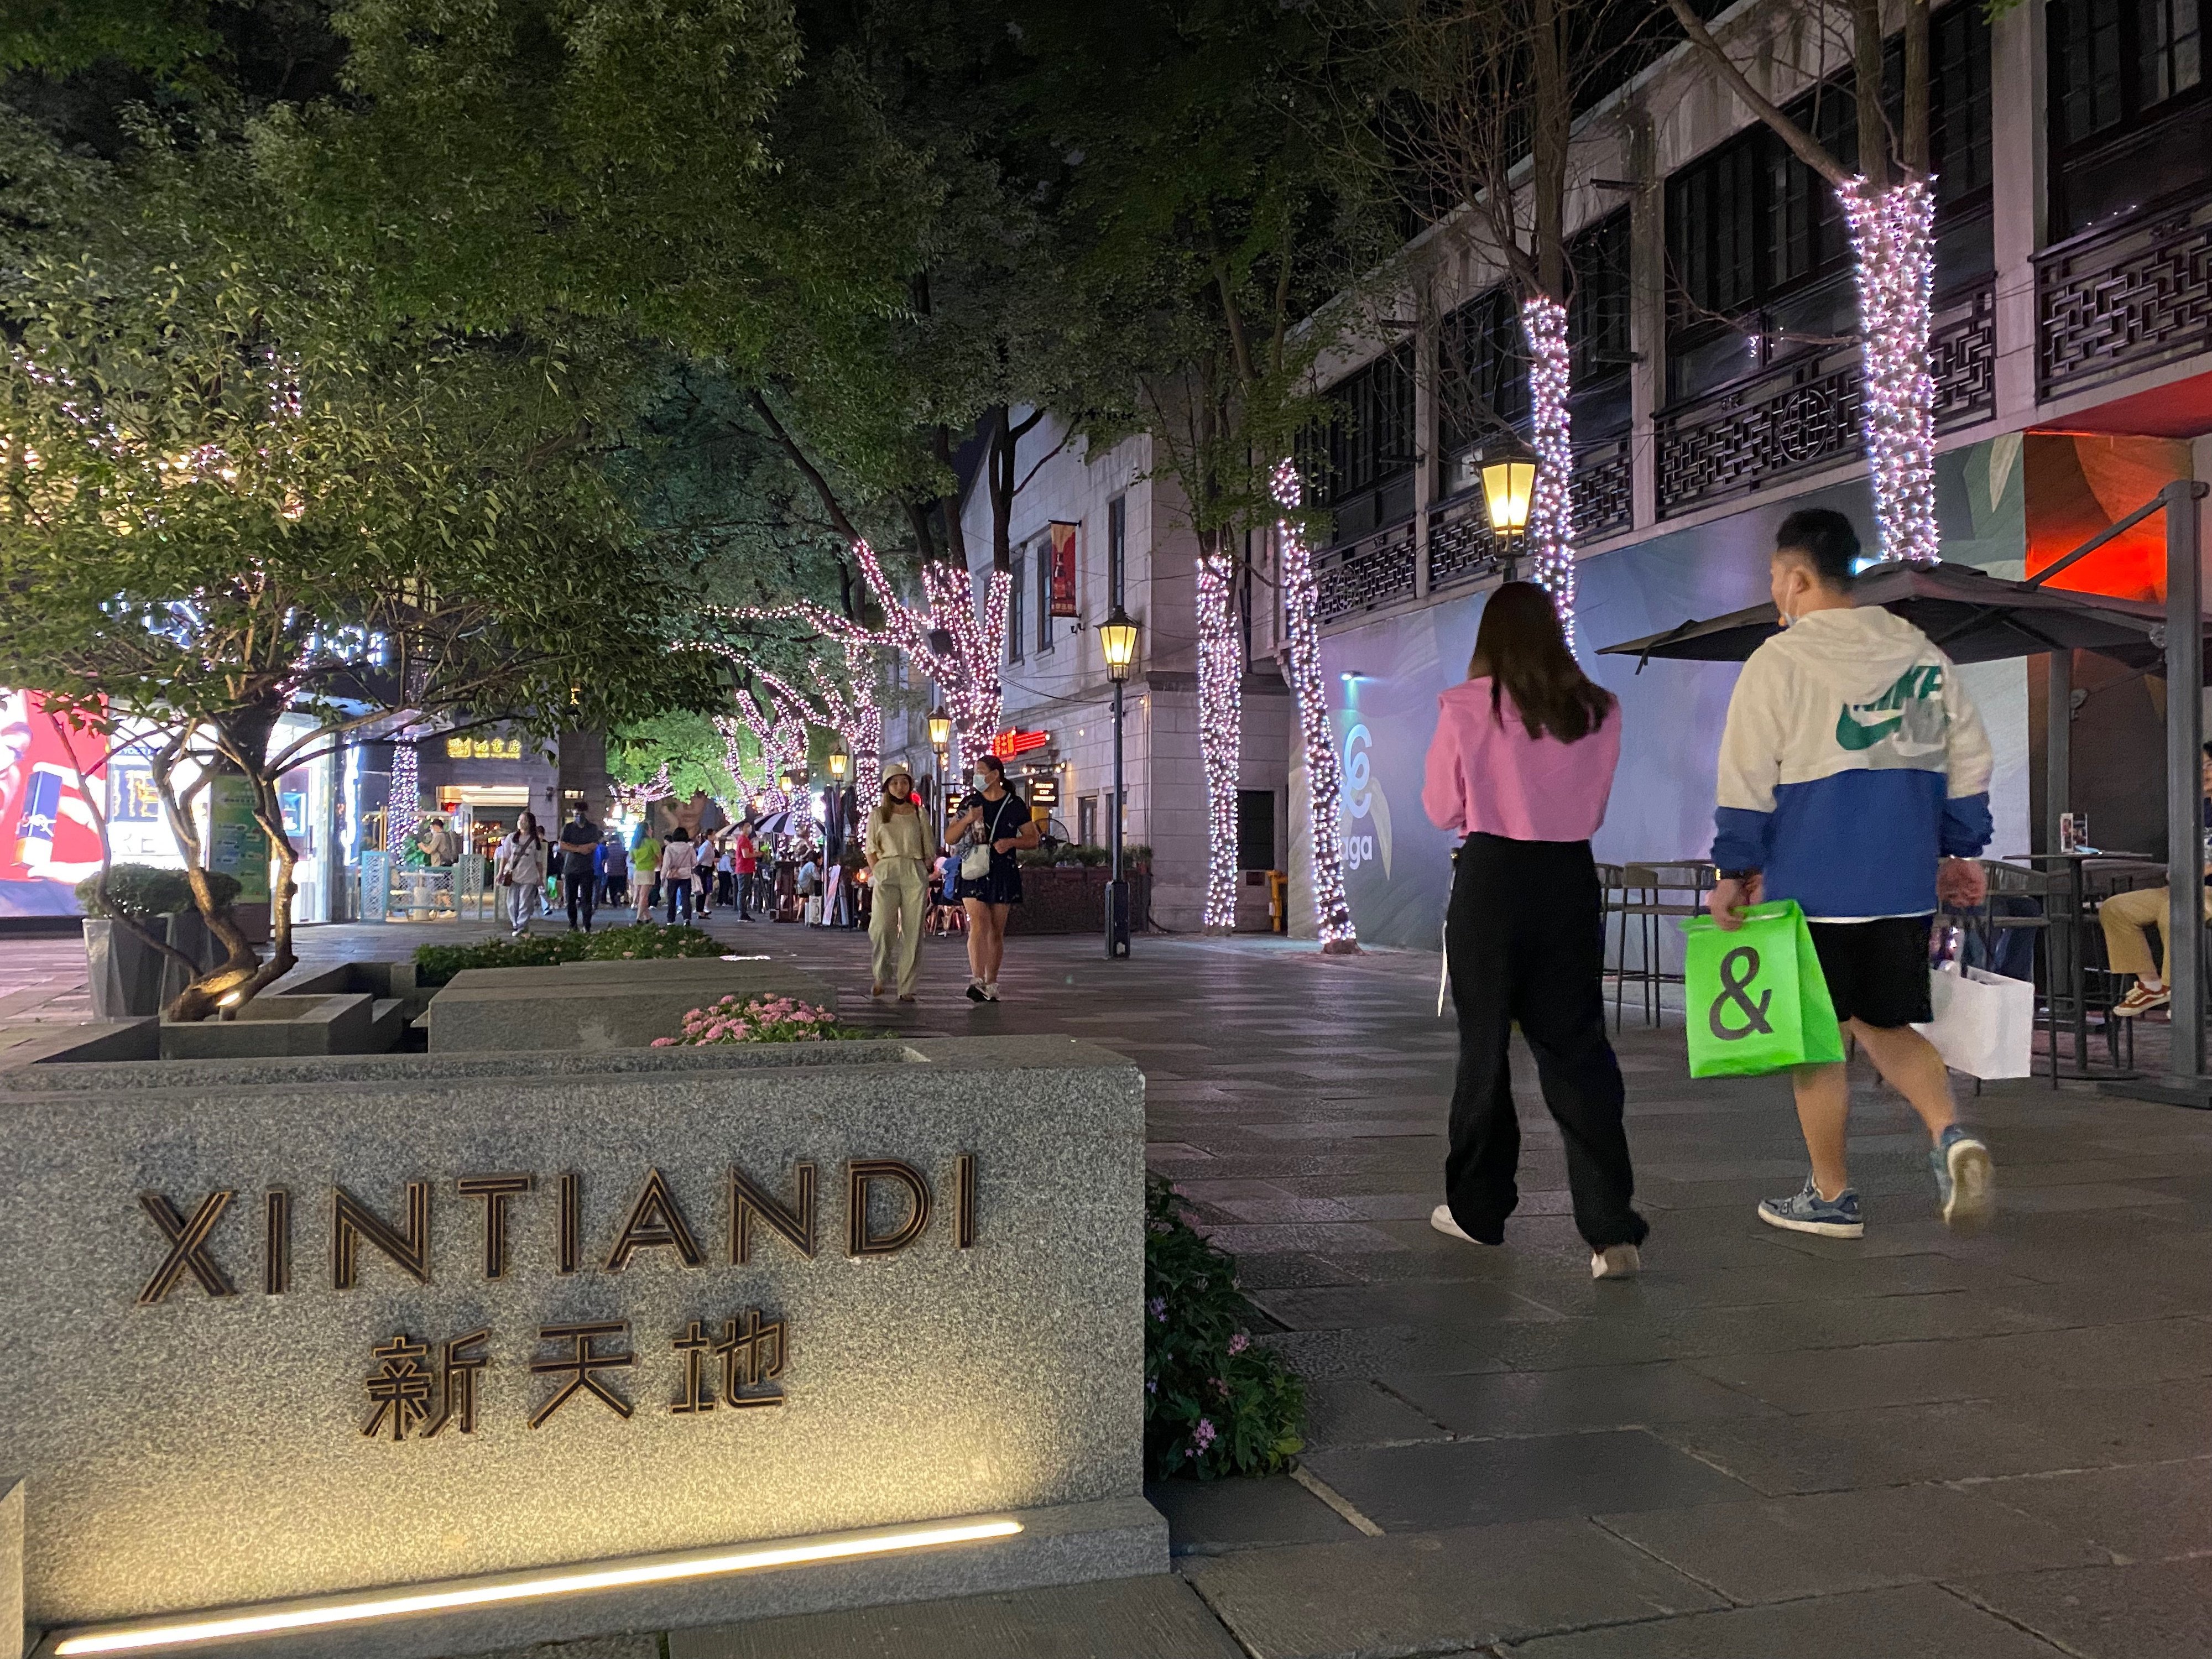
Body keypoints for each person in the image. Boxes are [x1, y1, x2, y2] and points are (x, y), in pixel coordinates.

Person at [1708, 508, 1997, 1238]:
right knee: (1885, 1023)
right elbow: (1963, 759)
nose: (1775, 591)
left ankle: (1831, 1193)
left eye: (1775, 578)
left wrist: (1735, 868)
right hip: (1901, 883)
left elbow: (1746, 773)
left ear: (1799, 578)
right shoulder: (1918, 654)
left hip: (1812, 883)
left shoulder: (1780, 661)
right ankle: (1950, 1135)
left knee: (1816, 1043)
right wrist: (1961, 848)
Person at [1420, 582, 1648, 1280]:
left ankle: (1478, 1212)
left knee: (1484, 1047)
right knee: (1578, 1048)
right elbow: (1597, 806)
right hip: (1569, 879)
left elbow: (1439, 807)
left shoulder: (1465, 706)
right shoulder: (1597, 710)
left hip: (1491, 877)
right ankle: (1611, 1229)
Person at [2100, 742, 2212, 1016]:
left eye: (2209, 766)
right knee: (2115, 908)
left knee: (2174, 910)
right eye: (2199, 768)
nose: (2204, 774)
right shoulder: (2196, 809)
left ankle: (2181, 991)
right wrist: (2176, 870)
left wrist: (2202, 870)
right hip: (2186, 888)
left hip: (2206, 892)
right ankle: (2153, 986)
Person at [948, 753, 1039, 1001]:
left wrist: (1011, 842)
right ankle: (977, 979)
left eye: (980, 771)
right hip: (974, 869)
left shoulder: (1014, 805)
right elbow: (950, 837)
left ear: (995, 775)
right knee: (978, 922)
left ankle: (992, 982)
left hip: (1002, 868)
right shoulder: (969, 803)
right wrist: (968, 818)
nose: (977, 776)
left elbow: (1033, 839)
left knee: (996, 930)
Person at [865, 763, 930, 1001]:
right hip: (887, 869)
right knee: (882, 927)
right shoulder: (878, 815)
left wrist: (925, 868)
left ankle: (907, 986)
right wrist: (878, 872)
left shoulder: (919, 813)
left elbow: (928, 847)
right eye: (894, 783)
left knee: (914, 932)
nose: (900, 787)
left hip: (913, 868)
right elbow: (870, 849)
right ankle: (881, 975)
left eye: (904, 782)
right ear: (886, 787)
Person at [494, 811, 549, 936]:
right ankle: (515, 923)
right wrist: (500, 872)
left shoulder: (535, 841)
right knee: (512, 902)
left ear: (530, 823)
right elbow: (505, 856)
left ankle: (521, 926)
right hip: (514, 875)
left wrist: (540, 878)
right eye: (520, 819)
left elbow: (539, 861)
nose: (521, 822)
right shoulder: (512, 838)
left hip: (530, 876)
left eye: (524, 820)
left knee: (525, 902)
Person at [556, 806, 601, 932]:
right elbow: (562, 844)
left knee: (587, 898)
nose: (579, 816)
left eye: (581, 814)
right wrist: (579, 849)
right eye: (577, 814)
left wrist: (576, 847)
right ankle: (573, 924)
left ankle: (587, 925)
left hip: (587, 868)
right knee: (571, 898)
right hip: (571, 868)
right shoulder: (569, 827)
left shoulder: (592, 828)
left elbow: (594, 844)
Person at [630, 826, 661, 924]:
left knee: (640, 895)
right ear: (647, 831)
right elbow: (659, 856)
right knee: (644, 896)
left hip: (637, 871)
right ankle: (639, 918)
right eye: (650, 829)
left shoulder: (635, 844)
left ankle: (647, 917)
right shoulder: (652, 842)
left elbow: (632, 858)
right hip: (648, 871)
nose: (652, 830)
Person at [733, 821, 759, 920]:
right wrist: (757, 854)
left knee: (745, 891)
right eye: (747, 826)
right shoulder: (743, 839)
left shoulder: (745, 840)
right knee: (743, 891)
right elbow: (746, 855)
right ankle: (742, 914)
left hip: (747, 868)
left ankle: (743, 912)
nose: (750, 828)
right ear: (742, 829)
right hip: (744, 869)